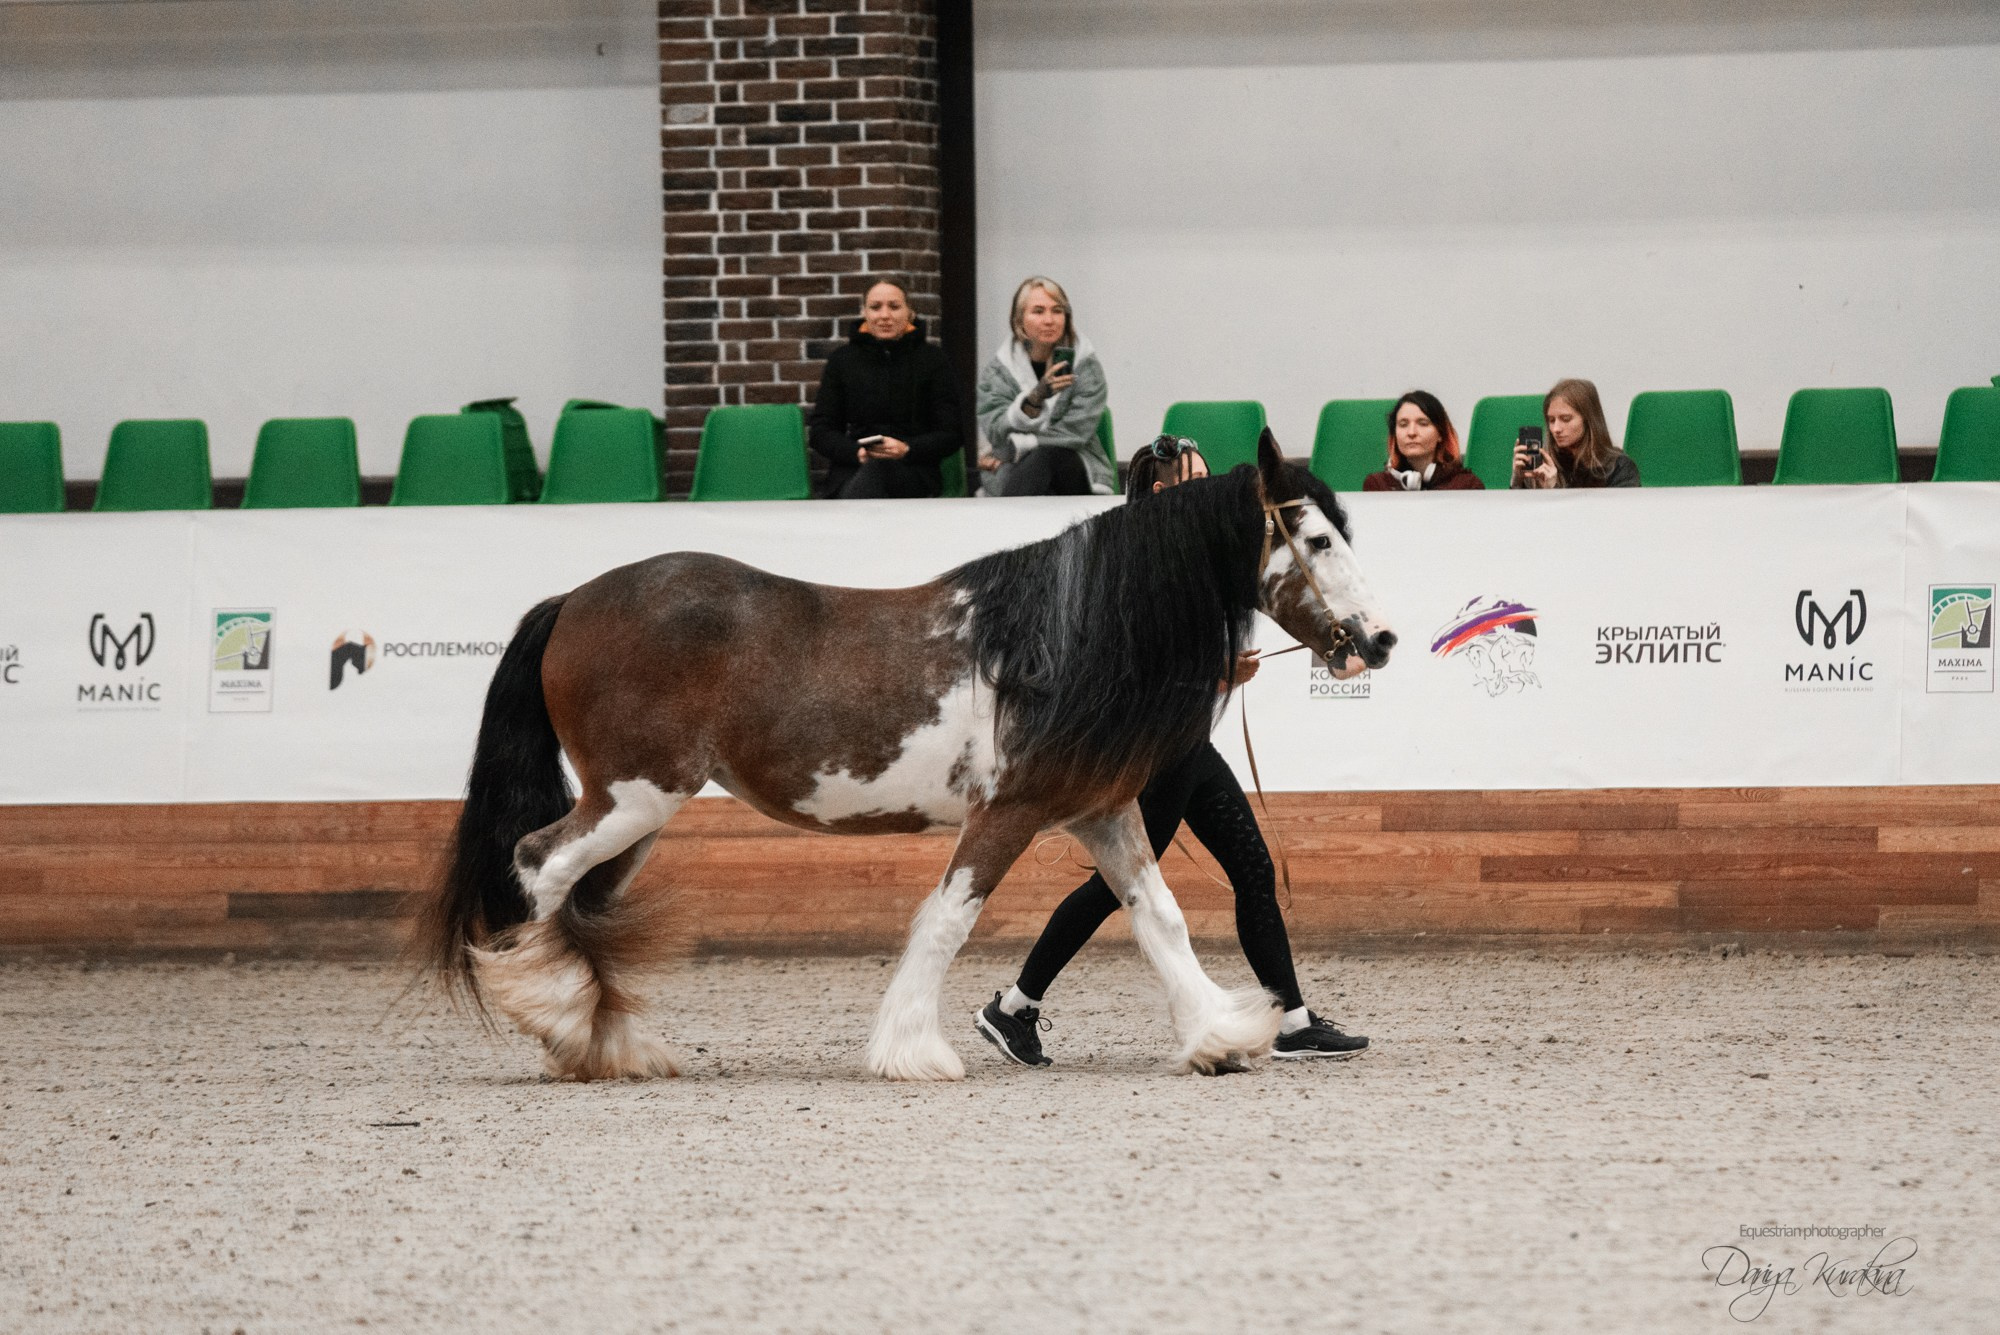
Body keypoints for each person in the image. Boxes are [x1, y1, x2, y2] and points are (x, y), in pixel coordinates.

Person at [974, 434, 1371, 1067]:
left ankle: (1292, 1018)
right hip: (1153, 746)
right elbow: (1128, 662)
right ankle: (1014, 1007)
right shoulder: (1136, 558)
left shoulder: (1189, 557)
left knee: (1249, 870)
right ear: (1162, 492)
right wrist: (1217, 674)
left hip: (1182, 739)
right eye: (1198, 482)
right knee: (1124, 884)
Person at [807, 277, 962, 498]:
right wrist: (856, 452)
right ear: (865, 312)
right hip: (852, 469)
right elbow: (821, 431)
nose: (885, 315)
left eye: (894, 307)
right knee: (872, 473)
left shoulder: (933, 361)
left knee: (878, 473)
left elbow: (951, 433)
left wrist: (907, 448)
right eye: (875, 307)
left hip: (914, 471)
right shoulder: (842, 361)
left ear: (910, 312)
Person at [973, 276, 1113, 496]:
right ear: (1019, 321)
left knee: (1047, 456)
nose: (1050, 320)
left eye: (1057, 311)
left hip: (1075, 464)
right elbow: (994, 427)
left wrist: (1021, 445)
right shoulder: (999, 371)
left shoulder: (1085, 366)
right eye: (1038, 311)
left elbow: (1075, 432)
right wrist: (1035, 399)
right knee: (1030, 467)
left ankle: (1010, 524)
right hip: (1014, 469)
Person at [1512, 378, 1640, 489]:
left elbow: (1619, 515)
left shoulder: (1619, 468)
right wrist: (1517, 482)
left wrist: (1553, 491)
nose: (1556, 429)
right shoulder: (1543, 465)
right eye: (1551, 420)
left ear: (1588, 420)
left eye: (1566, 419)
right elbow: (1515, 515)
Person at [1361, 390, 1484, 491]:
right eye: (1403, 424)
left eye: (1423, 423)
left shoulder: (1467, 486)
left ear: (1441, 434)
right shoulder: (1378, 485)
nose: (1411, 432)